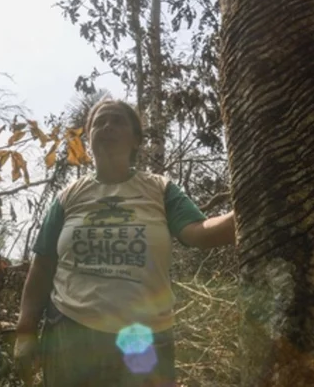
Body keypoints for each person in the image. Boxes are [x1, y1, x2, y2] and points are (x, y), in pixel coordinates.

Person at [13, 98, 236, 387]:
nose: (107, 126)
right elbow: (42, 266)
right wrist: (26, 330)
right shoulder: (68, 196)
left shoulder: (159, 189)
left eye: (117, 121)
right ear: (88, 138)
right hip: (70, 333)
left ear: (136, 140)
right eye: (98, 122)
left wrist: (245, 211)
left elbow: (198, 232)